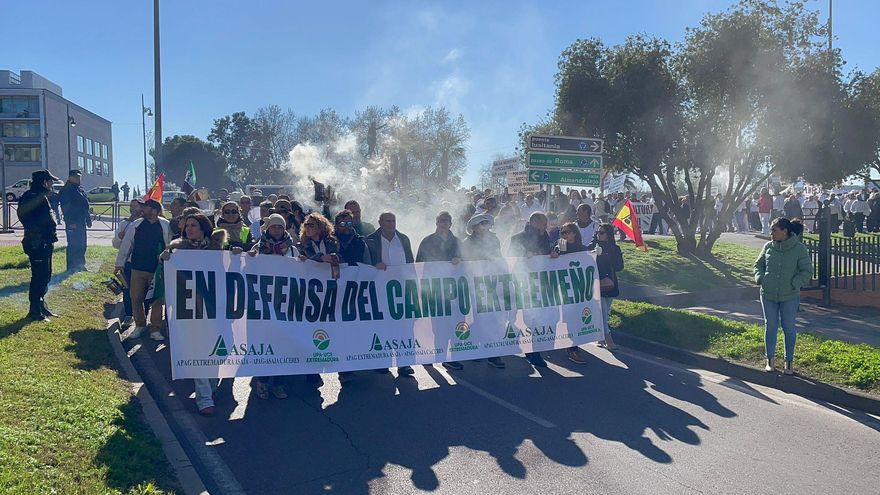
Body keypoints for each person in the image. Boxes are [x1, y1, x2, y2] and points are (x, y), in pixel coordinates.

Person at [160, 213, 227, 415]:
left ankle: (211, 388)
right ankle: (204, 399)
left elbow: (228, 271)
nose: (189, 229)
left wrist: (238, 255)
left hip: (214, 307)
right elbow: (169, 277)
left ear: (203, 228)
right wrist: (164, 260)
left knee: (214, 350)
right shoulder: (177, 249)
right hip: (188, 308)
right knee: (197, 351)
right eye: (187, 225)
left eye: (194, 225)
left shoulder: (216, 248)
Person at [754, 218, 812, 375]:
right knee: (770, 327)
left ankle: (789, 362)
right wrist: (760, 278)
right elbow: (758, 265)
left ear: (784, 231)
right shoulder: (768, 246)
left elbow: (807, 271)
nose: (770, 233)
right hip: (768, 294)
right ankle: (770, 360)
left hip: (789, 296)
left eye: (774, 229)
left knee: (789, 328)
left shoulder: (799, 249)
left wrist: (795, 283)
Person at [365, 212, 415, 377]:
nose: (391, 224)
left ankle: (405, 363)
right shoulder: (370, 240)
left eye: (393, 220)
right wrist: (374, 265)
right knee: (382, 327)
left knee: (405, 327)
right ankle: (382, 361)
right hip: (380, 291)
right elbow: (364, 264)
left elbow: (411, 263)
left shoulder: (404, 239)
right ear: (380, 222)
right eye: (387, 221)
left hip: (402, 291)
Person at [114, 199, 171, 341]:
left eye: (145, 207)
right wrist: (119, 263)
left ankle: (155, 329)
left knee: (157, 300)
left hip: (157, 270)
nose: (142, 209)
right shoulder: (136, 224)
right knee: (136, 297)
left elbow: (169, 245)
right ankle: (139, 325)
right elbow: (126, 245)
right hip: (137, 268)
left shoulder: (165, 225)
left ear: (155, 210)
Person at [415, 211, 465, 371]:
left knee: (457, 323)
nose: (444, 223)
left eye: (447, 221)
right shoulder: (427, 241)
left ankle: (453, 357)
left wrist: (461, 260)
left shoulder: (457, 242)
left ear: (451, 223)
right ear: (436, 223)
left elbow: (468, 263)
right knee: (438, 326)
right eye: (441, 221)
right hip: (435, 292)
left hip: (455, 291)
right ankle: (438, 355)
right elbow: (419, 265)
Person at [506, 212, 552, 368]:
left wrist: (552, 254)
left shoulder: (545, 237)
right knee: (526, 316)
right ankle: (530, 350)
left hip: (540, 283)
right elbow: (510, 258)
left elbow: (546, 253)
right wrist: (523, 255)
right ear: (534, 222)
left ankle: (533, 350)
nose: (546, 226)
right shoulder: (518, 238)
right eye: (543, 223)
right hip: (522, 283)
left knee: (536, 318)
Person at [460, 213, 505, 369]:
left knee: (493, 317)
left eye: (487, 223)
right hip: (476, 283)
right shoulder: (468, 242)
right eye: (483, 224)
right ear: (474, 227)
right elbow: (466, 260)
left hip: (492, 282)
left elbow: (499, 256)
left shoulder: (494, 239)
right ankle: (479, 349)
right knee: (479, 317)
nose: (486, 226)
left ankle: (493, 353)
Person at [18, 170, 60, 321]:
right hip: (37, 242)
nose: (52, 184)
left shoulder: (42, 196)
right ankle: (34, 310)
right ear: (44, 182)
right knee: (39, 277)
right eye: (50, 181)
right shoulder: (31, 197)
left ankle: (41, 306)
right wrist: (38, 231)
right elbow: (23, 217)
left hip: (45, 241)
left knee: (46, 275)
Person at [550, 222, 589, 364]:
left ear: (574, 233)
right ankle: (552, 342)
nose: (564, 235)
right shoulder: (559, 246)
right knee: (556, 317)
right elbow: (552, 263)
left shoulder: (582, 249)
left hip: (576, 289)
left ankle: (573, 348)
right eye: (562, 233)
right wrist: (555, 254)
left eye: (567, 232)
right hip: (561, 288)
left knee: (573, 319)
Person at [587, 224, 624, 351]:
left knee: (605, 312)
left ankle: (600, 338)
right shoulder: (592, 246)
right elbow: (585, 260)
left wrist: (608, 255)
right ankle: (609, 341)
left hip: (611, 283)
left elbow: (619, 267)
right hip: (598, 283)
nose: (599, 234)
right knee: (602, 312)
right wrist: (594, 254)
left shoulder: (615, 248)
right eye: (597, 232)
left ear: (608, 234)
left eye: (602, 232)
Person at [113, 199, 143, 328]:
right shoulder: (124, 223)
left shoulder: (144, 223)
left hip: (142, 262)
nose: (132, 209)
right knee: (127, 289)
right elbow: (115, 244)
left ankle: (142, 316)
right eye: (131, 206)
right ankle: (129, 314)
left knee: (141, 291)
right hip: (128, 262)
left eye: (136, 206)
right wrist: (120, 238)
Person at [58, 169, 90, 272]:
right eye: (75, 177)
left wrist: (88, 218)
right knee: (73, 244)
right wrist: (71, 222)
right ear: (70, 178)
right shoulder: (66, 190)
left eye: (79, 177)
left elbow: (85, 204)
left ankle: (80, 265)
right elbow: (65, 208)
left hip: (81, 221)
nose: (78, 178)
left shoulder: (80, 189)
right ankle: (71, 267)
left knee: (82, 244)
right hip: (72, 221)